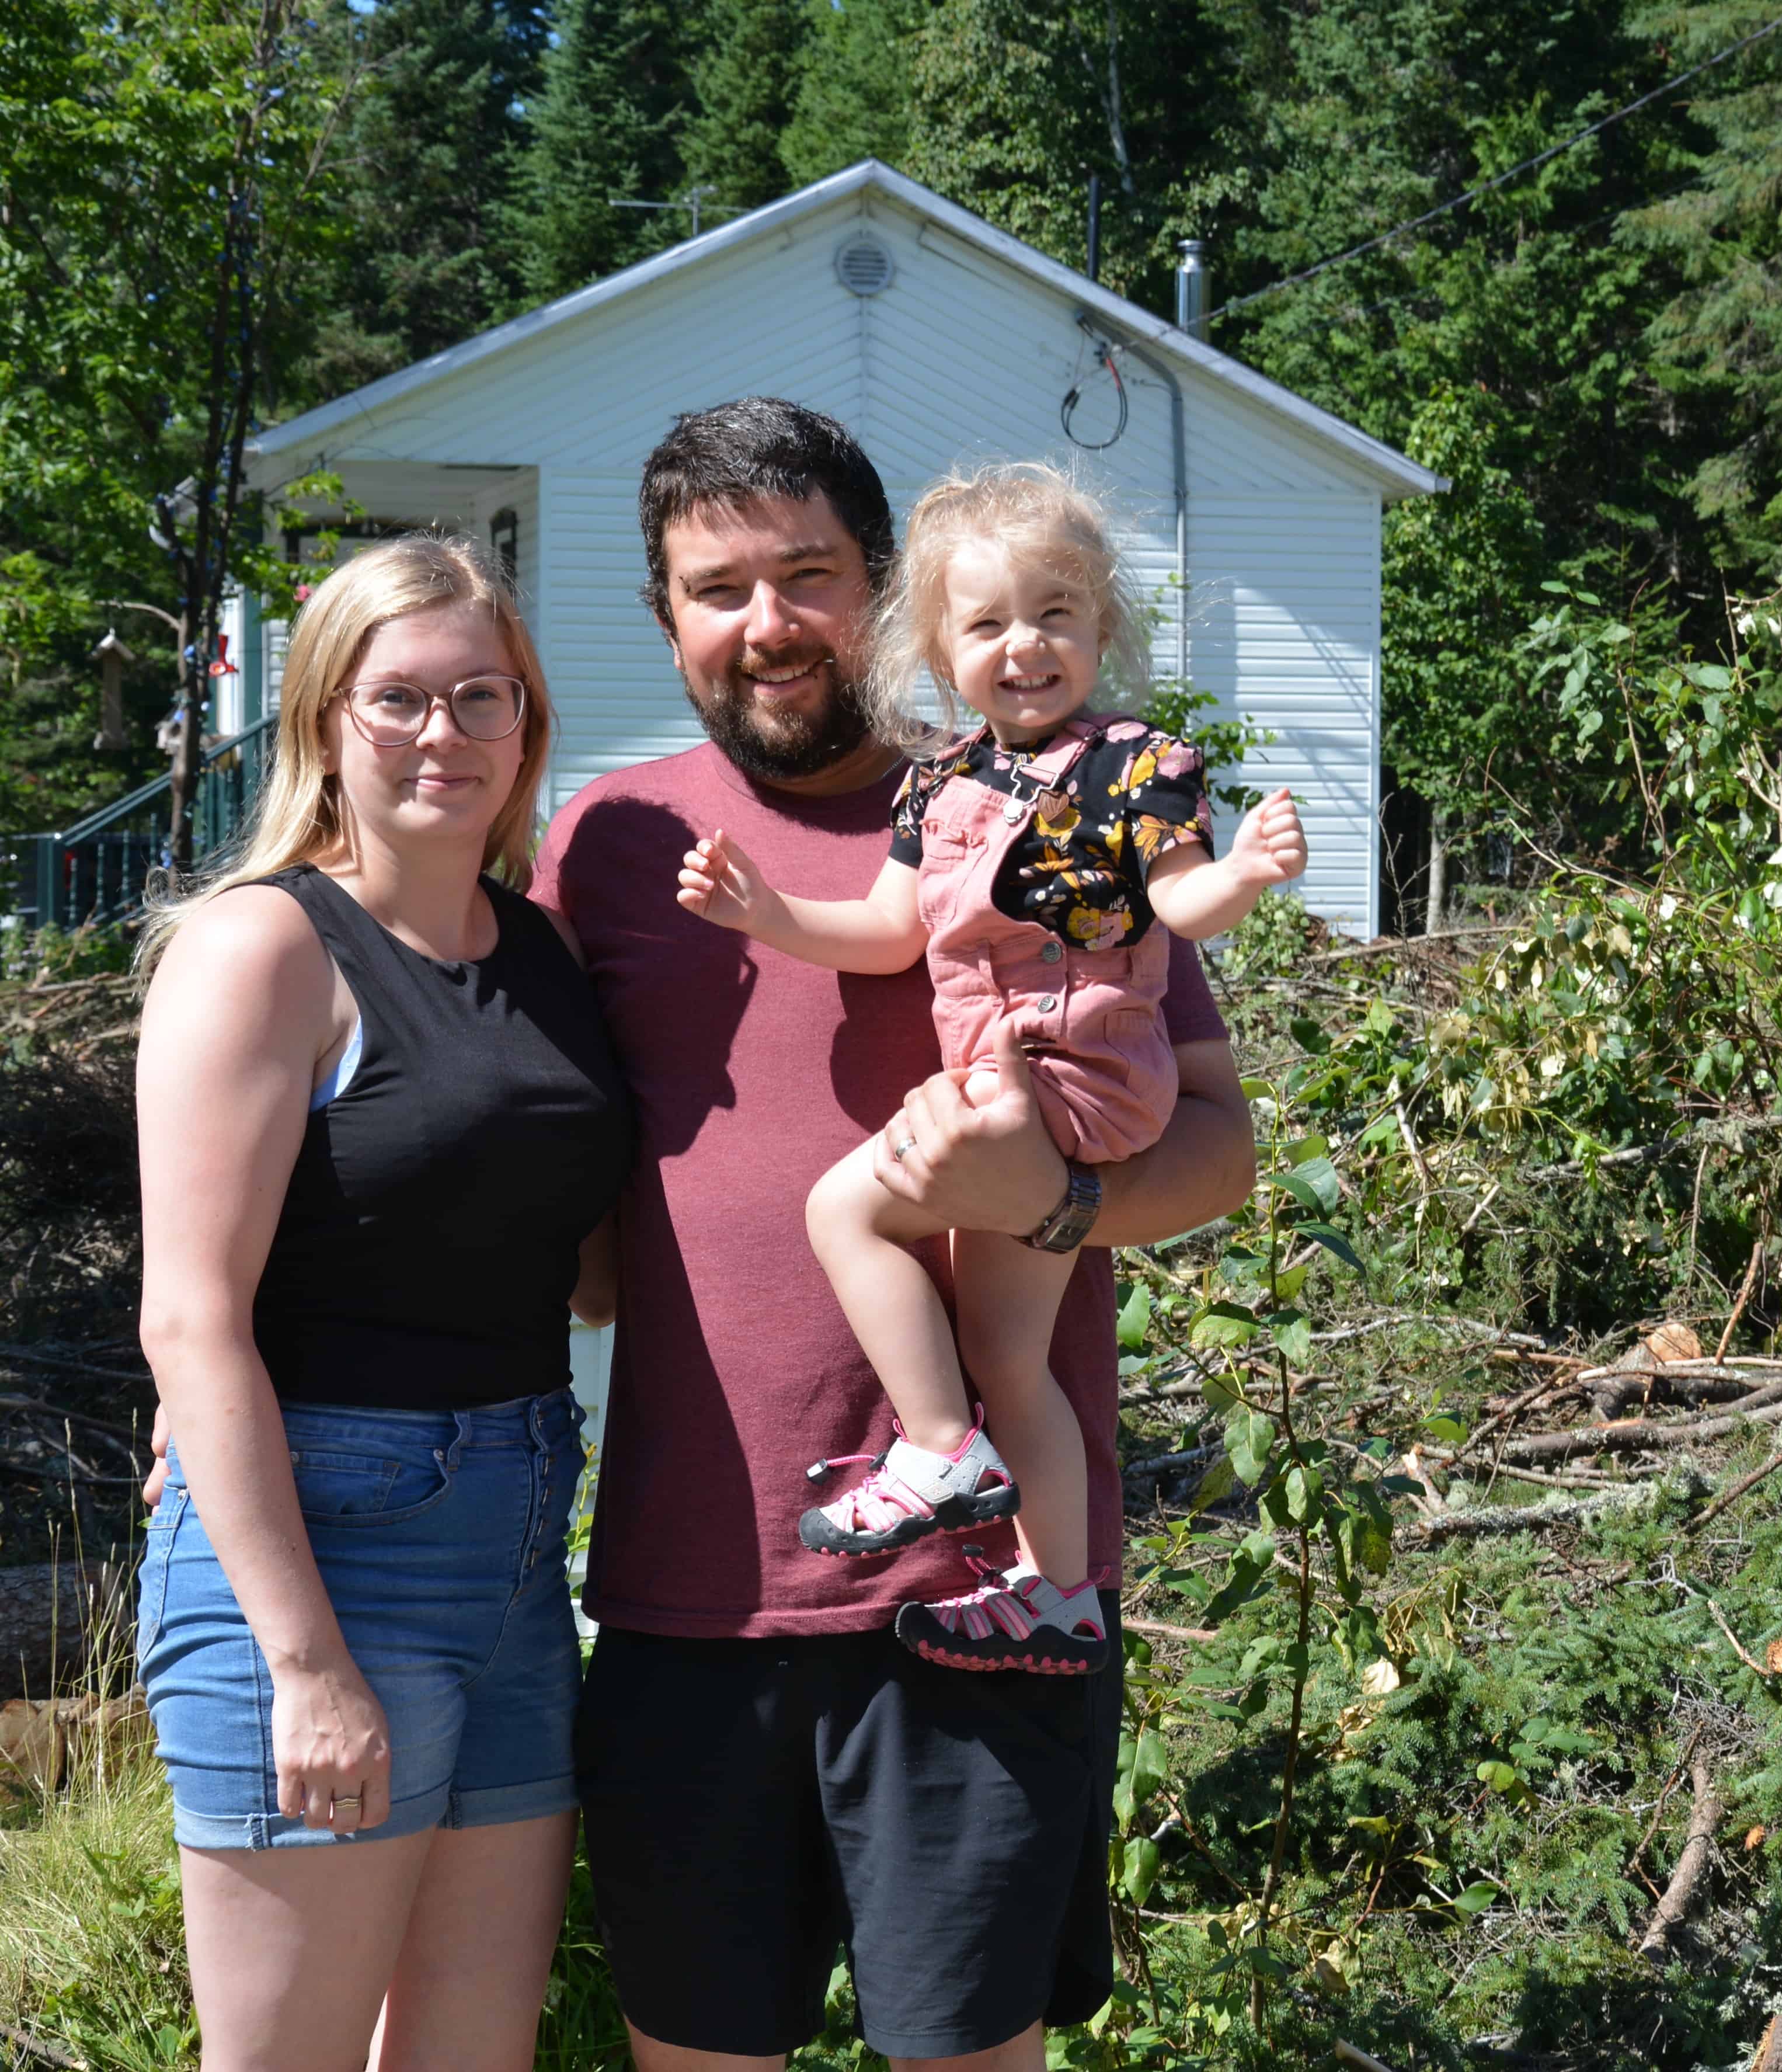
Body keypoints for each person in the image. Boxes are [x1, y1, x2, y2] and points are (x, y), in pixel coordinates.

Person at [534, 398, 1255, 2068]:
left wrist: (1057, 1201)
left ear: (884, 592)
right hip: (694, 1593)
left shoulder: (1039, 801)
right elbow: (501, 1158)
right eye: (718, 588)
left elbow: (1218, 1145)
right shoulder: (614, 846)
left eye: (808, 575)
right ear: (665, 615)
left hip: (981, 1599)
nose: (768, 622)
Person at [671, 460, 1306, 1672]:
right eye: (988, 625)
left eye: (1055, 613)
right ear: (937, 651)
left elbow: (1183, 903)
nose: (1025, 645)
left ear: (1101, 626)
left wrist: (1247, 873)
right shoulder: (940, 779)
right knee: (1010, 1357)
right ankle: (1057, 1593)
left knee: (842, 1210)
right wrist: (766, 913)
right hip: (1016, 1091)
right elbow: (888, 932)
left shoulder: (1135, 766)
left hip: (1070, 1071)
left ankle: (936, 1448)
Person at [133, 534, 630, 2071]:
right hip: (321, 1550)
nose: (443, 732)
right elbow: (189, 1318)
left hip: (519, 1538)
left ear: (526, 723)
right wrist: (302, 1660)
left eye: (483, 695)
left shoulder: (545, 950)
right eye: (398, 696)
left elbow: (585, 1265)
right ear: (324, 720)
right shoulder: (264, 946)